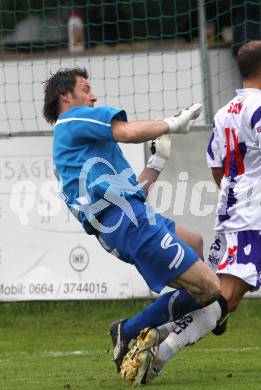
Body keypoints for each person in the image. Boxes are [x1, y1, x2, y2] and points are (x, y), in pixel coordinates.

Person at [129, 40, 261, 384]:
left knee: (219, 293)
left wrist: (238, 191)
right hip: (258, 218)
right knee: (227, 296)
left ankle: (156, 335)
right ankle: (158, 348)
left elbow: (217, 167)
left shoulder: (226, 111)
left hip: (232, 210)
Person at [42, 67, 226, 384]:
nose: (93, 96)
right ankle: (128, 329)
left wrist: (157, 163)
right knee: (210, 289)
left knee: (194, 242)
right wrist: (174, 123)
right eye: (86, 89)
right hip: (130, 224)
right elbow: (126, 132)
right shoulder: (71, 121)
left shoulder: (79, 148)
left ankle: (191, 313)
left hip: (127, 222)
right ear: (66, 97)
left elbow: (129, 196)